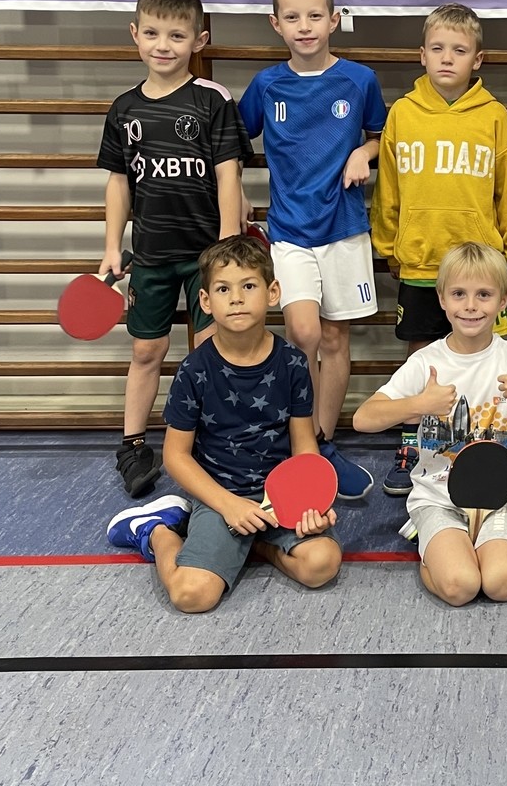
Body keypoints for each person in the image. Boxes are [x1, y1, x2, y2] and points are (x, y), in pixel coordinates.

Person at [105, 236, 341, 611]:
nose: (236, 298)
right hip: (219, 496)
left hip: (279, 499)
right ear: (205, 301)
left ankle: (255, 544)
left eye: (248, 286)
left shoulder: (293, 363)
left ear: (273, 292)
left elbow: (304, 446)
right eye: (223, 289)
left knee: (322, 564)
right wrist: (228, 505)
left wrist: (311, 503)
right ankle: (157, 531)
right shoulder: (194, 370)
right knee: (192, 595)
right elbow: (176, 456)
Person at [352, 242, 507, 606]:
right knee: (461, 587)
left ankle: (496, 546)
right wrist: (417, 404)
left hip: (498, 500)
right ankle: (432, 548)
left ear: (503, 300)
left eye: (483, 295)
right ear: (442, 299)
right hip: (437, 499)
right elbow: (362, 419)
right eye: (459, 294)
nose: (471, 305)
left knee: (500, 585)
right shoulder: (426, 362)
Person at [238, 0, 387, 500]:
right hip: (290, 231)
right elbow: (231, 143)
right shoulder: (266, 85)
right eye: (293, 17)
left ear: (334, 20)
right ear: (276, 24)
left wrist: (363, 151)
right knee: (303, 334)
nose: (305, 26)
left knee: (334, 338)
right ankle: (303, 441)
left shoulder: (359, 80)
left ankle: (323, 443)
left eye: (315, 16)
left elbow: (382, 137)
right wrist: (236, 199)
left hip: (344, 229)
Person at [97, 0, 246, 497]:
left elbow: (229, 175)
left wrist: (228, 246)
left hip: (207, 257)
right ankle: (133, 444)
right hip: (152, 257)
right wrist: (112, 246)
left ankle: (215, 442)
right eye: (153, 33)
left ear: (198, 41)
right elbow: (119, 183)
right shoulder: (123, 110)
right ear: (135, 34)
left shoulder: (212, 101)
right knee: (146, 350)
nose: (163, 45)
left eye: (177, 35)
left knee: (212, 350)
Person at [370, 4, 507, 498]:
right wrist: (388, 242)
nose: (447, 58)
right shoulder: (403, 113)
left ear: (478, 59)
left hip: (479, 265)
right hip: (420, 259)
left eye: (459, 50)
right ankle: (414, 444)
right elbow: (388, 186)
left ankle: (484, 441)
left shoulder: (493, 116)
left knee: (487, 355)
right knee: (422, 355)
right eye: (437, 49)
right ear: (422, 55)